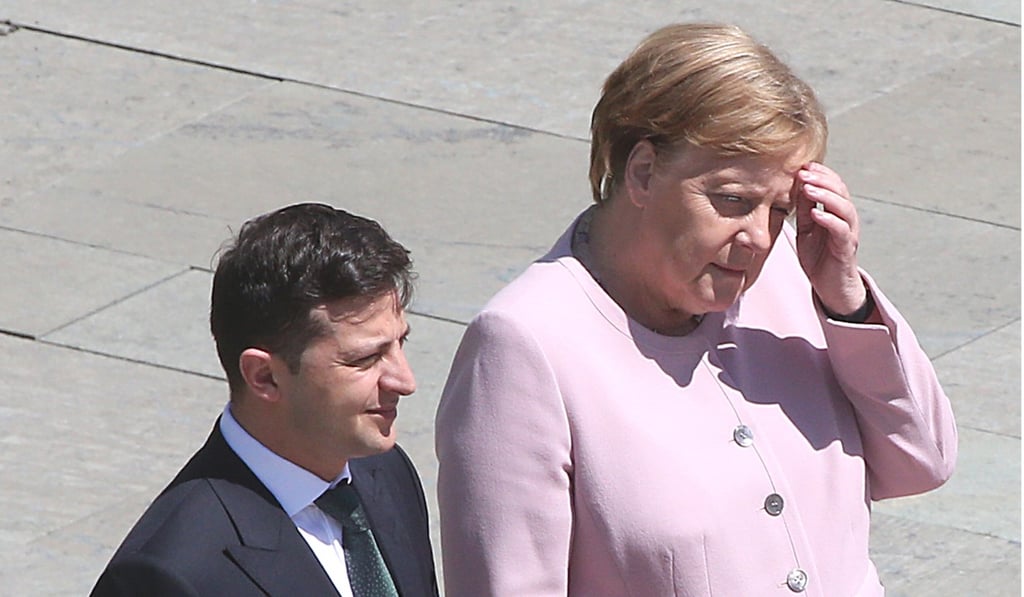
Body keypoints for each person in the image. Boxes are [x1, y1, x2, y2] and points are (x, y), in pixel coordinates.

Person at [435, 23, 956, 596]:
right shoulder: (524, 347)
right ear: (642, 172)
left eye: (780, 208)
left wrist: (847, 303)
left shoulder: (796, 275)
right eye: (732, 201)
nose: (759, 236)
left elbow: (922, 461)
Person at [93, 203, 438, 596]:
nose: (405, 381)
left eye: (400, 343)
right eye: (364, 359)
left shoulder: (385, 472)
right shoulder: (169, 576)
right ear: (265, 377)